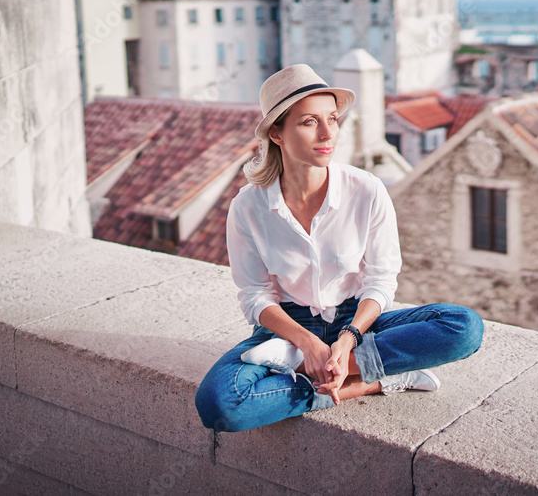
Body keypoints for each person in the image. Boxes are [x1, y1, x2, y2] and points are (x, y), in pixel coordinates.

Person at [195, 64, 484, 433]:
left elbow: (381, 281)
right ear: (278, 134)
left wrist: (348, 341)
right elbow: (254, 296)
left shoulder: (367, 190)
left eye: (332, 118)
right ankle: (373, 377)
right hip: (287, 330)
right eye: (309, 122)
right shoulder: (248, 206)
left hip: (358, 323)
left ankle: (328, 374)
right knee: (219, 404)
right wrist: (307, 343)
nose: (329, 132)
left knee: (464, 327)